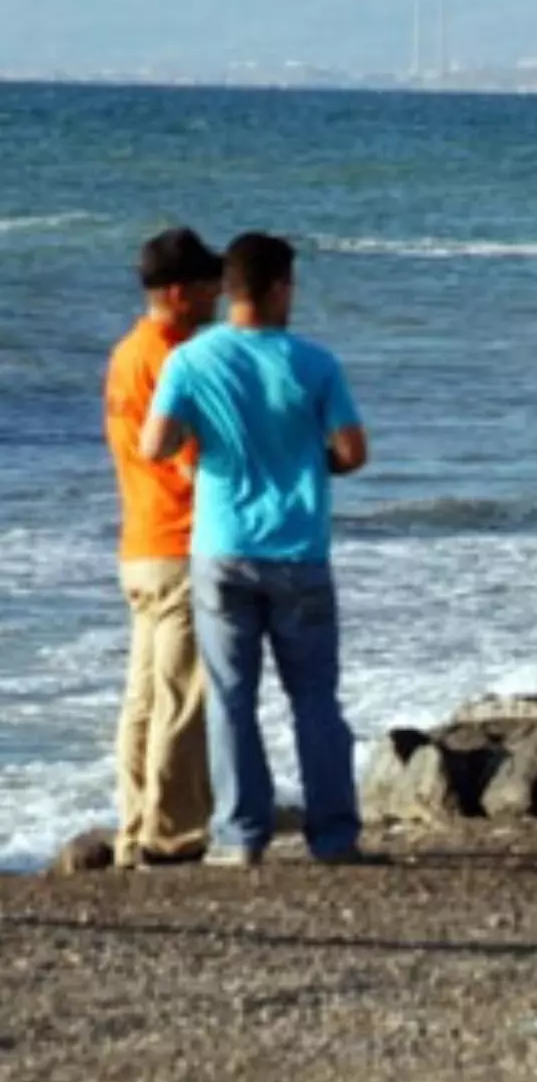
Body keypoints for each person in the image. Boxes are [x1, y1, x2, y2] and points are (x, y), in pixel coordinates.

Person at [141, 232, 369, 867]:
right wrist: (308, 461)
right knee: (315, 699)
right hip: (298, 548)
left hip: (221, 547)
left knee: (231, 697)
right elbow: (352, 451)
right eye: (290, 285)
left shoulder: (190, 360)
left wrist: (204, 450)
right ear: (275, 288)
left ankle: (240, 835)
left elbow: (154, 444)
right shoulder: (315, 362)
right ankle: (333, 836)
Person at [104, 227, 223, 869]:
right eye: (207, 286)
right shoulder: (178, 361)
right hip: (179, 540)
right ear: (178, 293)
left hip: (139, 542)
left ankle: (133, 829)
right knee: (181, 697)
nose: (217, 296)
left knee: (146, 698)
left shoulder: (128, 354)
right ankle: (172, 837)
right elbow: (190, 460)